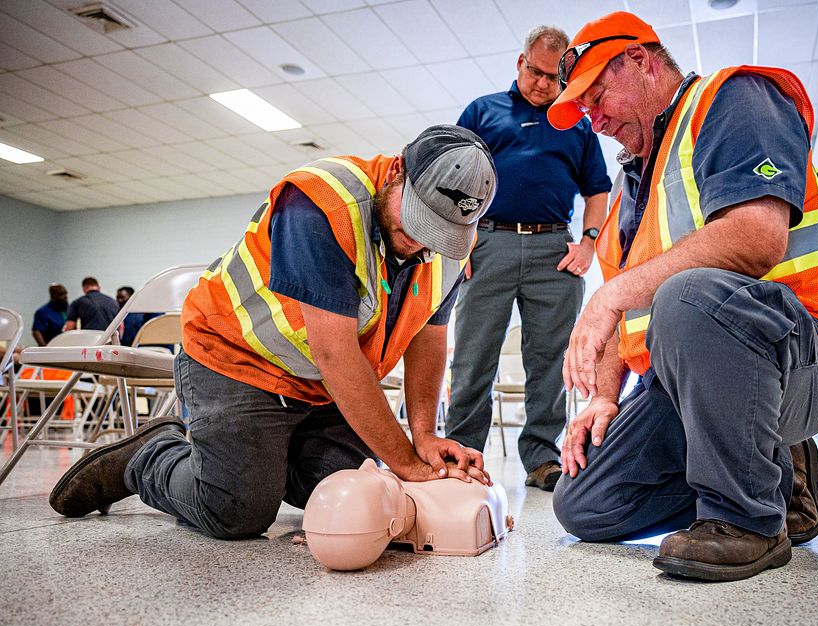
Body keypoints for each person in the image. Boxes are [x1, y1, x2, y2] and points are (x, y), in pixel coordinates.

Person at [49, 125, 499, 540]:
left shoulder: (452, 239)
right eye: (417, 220)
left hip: (318, 388)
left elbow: (429, 336)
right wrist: (404, 461)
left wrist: (424, 435)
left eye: (438, 232)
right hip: (235, 361)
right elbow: (335, 353)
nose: (421, 241)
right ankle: (150, 456)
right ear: (398, 170)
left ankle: (254, 458)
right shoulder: (323, 203)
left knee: (345, 491)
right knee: (238, 510)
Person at [546, 12, 818, 581]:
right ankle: (766, 469)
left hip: (813, 353)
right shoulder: (628, 199)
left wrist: (608, 296)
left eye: (597, 95)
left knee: (685, 295)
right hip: (696, 380)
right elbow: (625, 327)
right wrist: (602, 398)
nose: (593, 119)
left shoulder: (733, 100)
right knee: (583, 503)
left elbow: (757, 235)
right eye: (584, 111)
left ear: (642, 62)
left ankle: (746, 519)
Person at [445, 26, 611, 492]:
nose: (543, 84)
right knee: (474, 357)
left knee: (550, 361)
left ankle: (541, 458)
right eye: (535, 72)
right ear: (520, 63)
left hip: (553, 251)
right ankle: (462, 454)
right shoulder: (483, 111)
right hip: (488, 244)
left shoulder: (575, 122)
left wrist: (589, 242)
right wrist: (459, 244)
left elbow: (597, 189)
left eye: (553, 77)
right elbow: (451, 178)